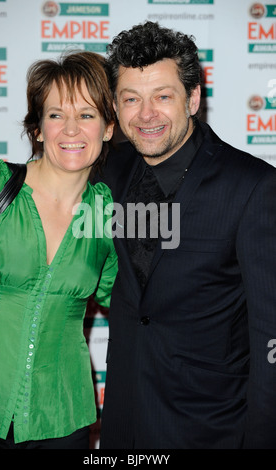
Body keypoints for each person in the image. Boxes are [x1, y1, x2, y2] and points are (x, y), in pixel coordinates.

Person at [96, 21, 276, 449]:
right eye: (131, 99)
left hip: (211, 430)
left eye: (163, 96)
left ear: (192, 99)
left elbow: (270, 332)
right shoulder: (106, 171)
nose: (146, 114)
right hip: (122, 427)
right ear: (116, 109)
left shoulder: (252, 187)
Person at [0, 50, 117, 449]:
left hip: (63, 418)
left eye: (87, 115)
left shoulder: (107, 214)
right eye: (56, 115)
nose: (71, 129)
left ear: (108, 128)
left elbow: (131, 303)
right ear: (38, 128)